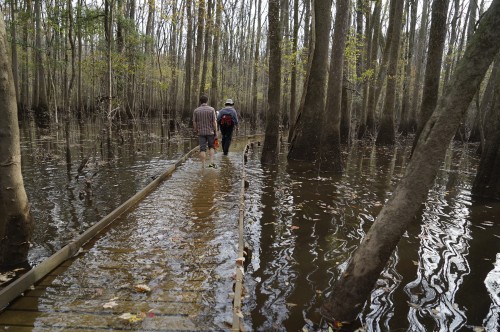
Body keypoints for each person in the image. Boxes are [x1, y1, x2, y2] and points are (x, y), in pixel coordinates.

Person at [193, 95, 218, 168]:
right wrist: (216, 131)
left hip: (201, 133)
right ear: (207, 101)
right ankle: (211, 162)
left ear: (200, 101)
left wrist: (196, 130)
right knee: (211, 147)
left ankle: (203, 165)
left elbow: (194, 122)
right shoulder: (211, 109)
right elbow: (214, 122)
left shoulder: (196, 110)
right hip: (210, 132)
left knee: (202, 149)